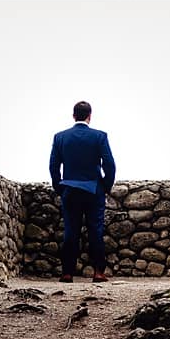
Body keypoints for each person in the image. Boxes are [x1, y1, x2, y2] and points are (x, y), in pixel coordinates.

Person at [49, 101, 116, 283]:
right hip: (94, 189)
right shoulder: (99, 136)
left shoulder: (60, 137)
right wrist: (105, 187)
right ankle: (98, 272)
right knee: (96, 230)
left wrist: (60, 188)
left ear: (73, 116)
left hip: (70, 190)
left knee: (71, 231)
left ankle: (67, 273)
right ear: (90, 116)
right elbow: (109, 165)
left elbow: (54, 167)